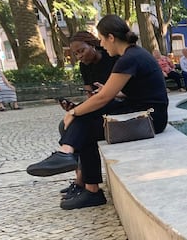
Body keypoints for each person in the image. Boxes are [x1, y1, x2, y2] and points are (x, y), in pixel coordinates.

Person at [26, 15, 169, 210]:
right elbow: (131, 92)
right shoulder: (134, 54)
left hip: (150, 120)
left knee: (85, 125)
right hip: (141, 111)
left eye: (101, 39)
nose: (101, 43)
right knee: (85, 120)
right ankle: (70, 159)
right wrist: (99, 97)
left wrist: (73, 112)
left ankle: (83, 177)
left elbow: (103, 98)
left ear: (111, 37)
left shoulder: (128, 58)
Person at [59, 31, 120, 200]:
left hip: (116, 105)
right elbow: (90, 95)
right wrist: (75, 107)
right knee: (66, 124)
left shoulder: (111, 58)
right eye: (76, 53)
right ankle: (82, 180)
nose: (79, 56)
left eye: (81, 51)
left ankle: (85, 182)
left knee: (83, 127)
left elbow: (116, 93)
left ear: (92, 45)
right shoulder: (84, 66)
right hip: (99, 104)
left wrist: (103, 94)